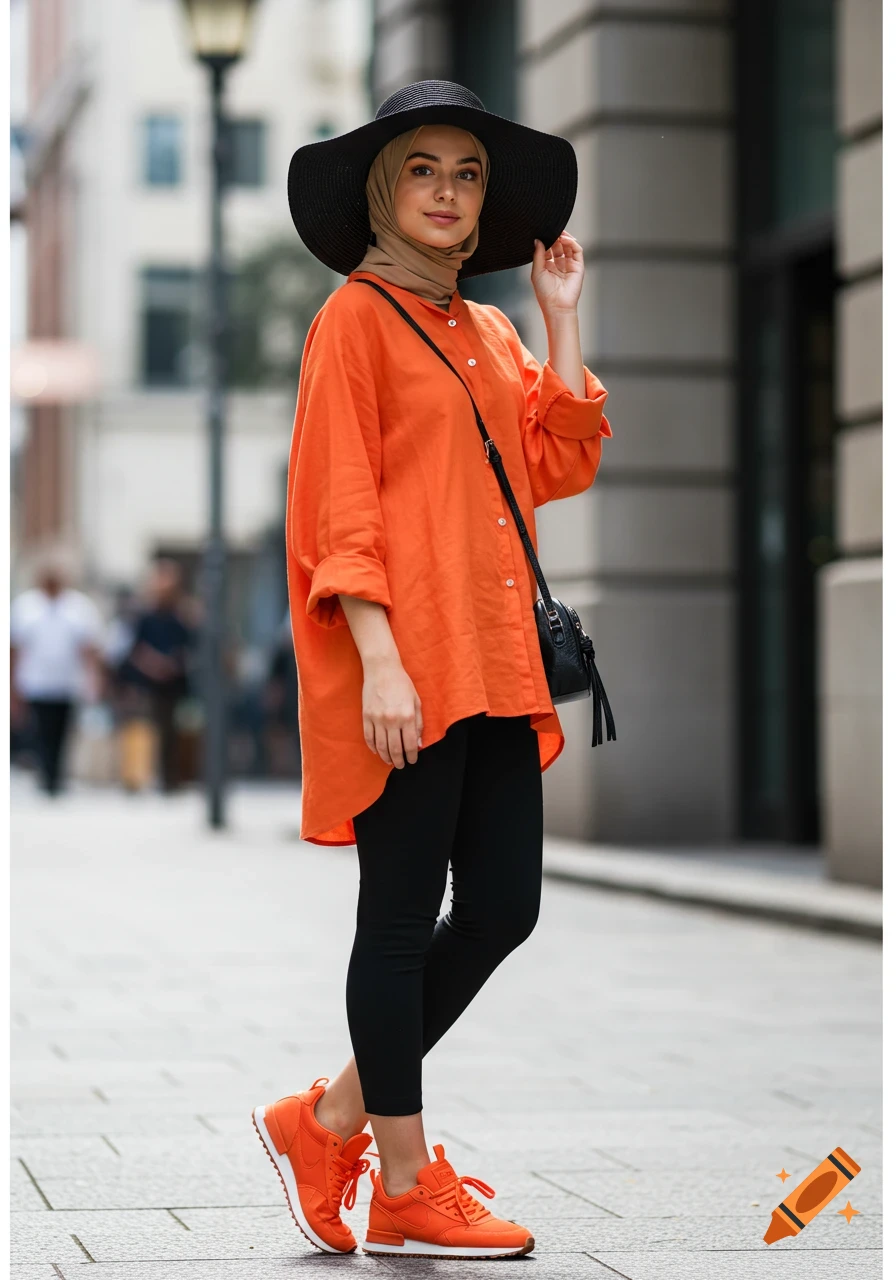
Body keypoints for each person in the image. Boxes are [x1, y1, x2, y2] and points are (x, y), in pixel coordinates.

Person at [253, 81, 612, 1259]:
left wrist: (558, 318)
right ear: (379, 191)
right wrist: (377, 662)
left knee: (503, 907)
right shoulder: (351, 322)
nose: (449, 192)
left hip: (498, 660)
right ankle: (401, 1177)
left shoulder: (490, 330)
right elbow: (335, 507)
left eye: (467, 172)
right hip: (406, 663)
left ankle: (329, 1118)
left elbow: (554, 464)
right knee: (401, 921)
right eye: (423, 169)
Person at [10, 559, 104, 795]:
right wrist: (11, 684)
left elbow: (89, 648)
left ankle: (57, 776)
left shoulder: (79, 607)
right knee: (41, 730)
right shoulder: (26, 606)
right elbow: (15, 647)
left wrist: (93, 679)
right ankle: (45, 776)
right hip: (36, 682)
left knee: (62, 731)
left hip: (67, 681)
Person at [118, 559, 194, 793]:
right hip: (145, 682)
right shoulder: (145, 616)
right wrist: (153, 664)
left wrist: (171, 665)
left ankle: (169, 778)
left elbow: (188, 647)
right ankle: (138, 776)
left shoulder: (182, 616)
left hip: (172, 683)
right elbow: (134, 648)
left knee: (171, 731)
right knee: (142, 729)